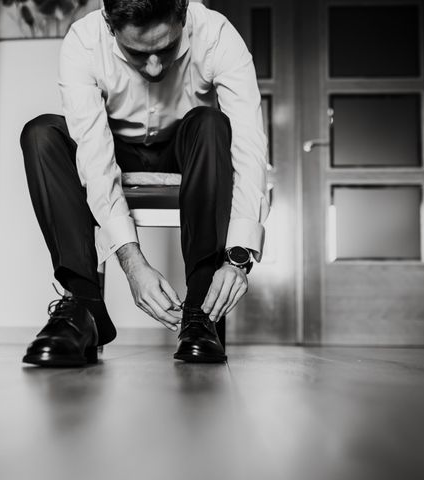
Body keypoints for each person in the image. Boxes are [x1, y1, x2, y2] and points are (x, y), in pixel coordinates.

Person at [20, 0, 270, 367]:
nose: (154, 67)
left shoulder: (216, 34)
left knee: (211, 123)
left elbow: (249, 147)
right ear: (109, 25)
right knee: (41, 133)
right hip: (113, 147)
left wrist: (237, 258)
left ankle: (202, 313)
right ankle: (84, 309)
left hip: (184, 146)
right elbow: (95, 159)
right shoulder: (84, 42)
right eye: (137, 53)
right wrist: (133, 263)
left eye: (167, 49)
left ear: (183, 16)